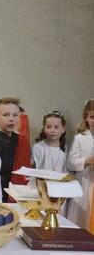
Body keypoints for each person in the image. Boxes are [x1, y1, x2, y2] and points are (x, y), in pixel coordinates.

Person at [67, 100, 94, 233]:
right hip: (84, 183)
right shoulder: (80, 138)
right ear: (86, 118)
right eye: (92, 117)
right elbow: (71, 162)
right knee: (82, 220)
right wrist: (87, 161)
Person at [0, 97, 20, 202]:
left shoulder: (20, 139)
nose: (11, 119)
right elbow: (4, 165)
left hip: (19, 187)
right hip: (2, 190)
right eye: (6, 115)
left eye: (15, 115)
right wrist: (16, 136)